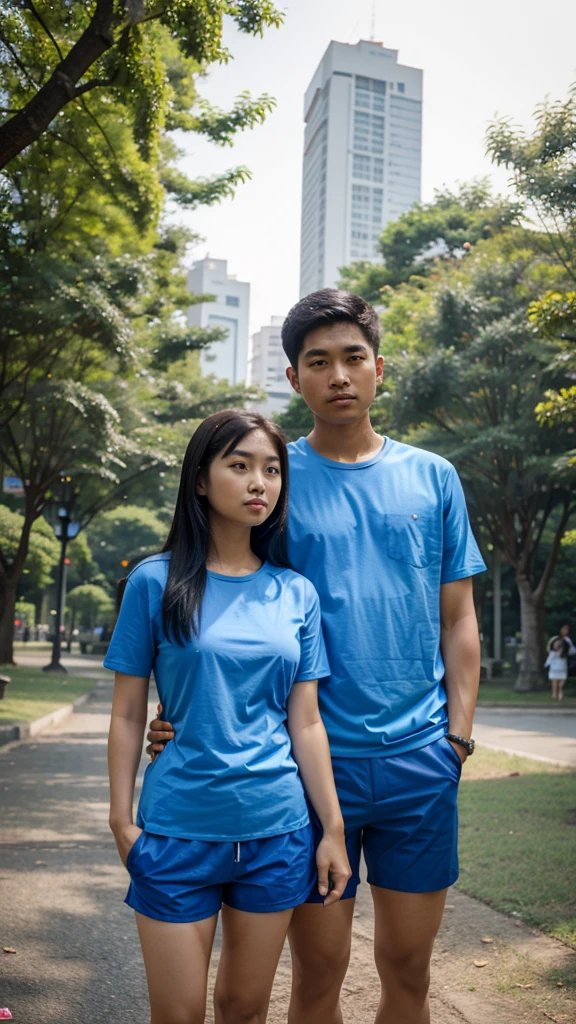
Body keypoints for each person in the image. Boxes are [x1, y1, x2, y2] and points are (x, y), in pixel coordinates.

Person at [149, 290, 486, 1024]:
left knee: (408, 969)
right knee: (319, 974)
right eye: (317, 361)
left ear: (378, 369)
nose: (338, 375)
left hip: (419, 760)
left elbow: (458, 617)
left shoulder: (434, 477)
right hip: (302, 772)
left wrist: (456, 738)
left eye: (353, 358)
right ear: (295, 379)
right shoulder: (273, 479)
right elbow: (224, 595)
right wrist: (179, 707)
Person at [105, 409, 350, 1024]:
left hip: (277, 833)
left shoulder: (296, 593)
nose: (258, 483)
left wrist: (333, 830)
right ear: (200, 480)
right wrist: (119, 821)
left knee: (243, 1009)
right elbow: (130, 711)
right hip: (177, 831)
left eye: (271, 470)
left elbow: (307, 722)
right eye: (238, 466)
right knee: (179, 1013)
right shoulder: (152, 583)